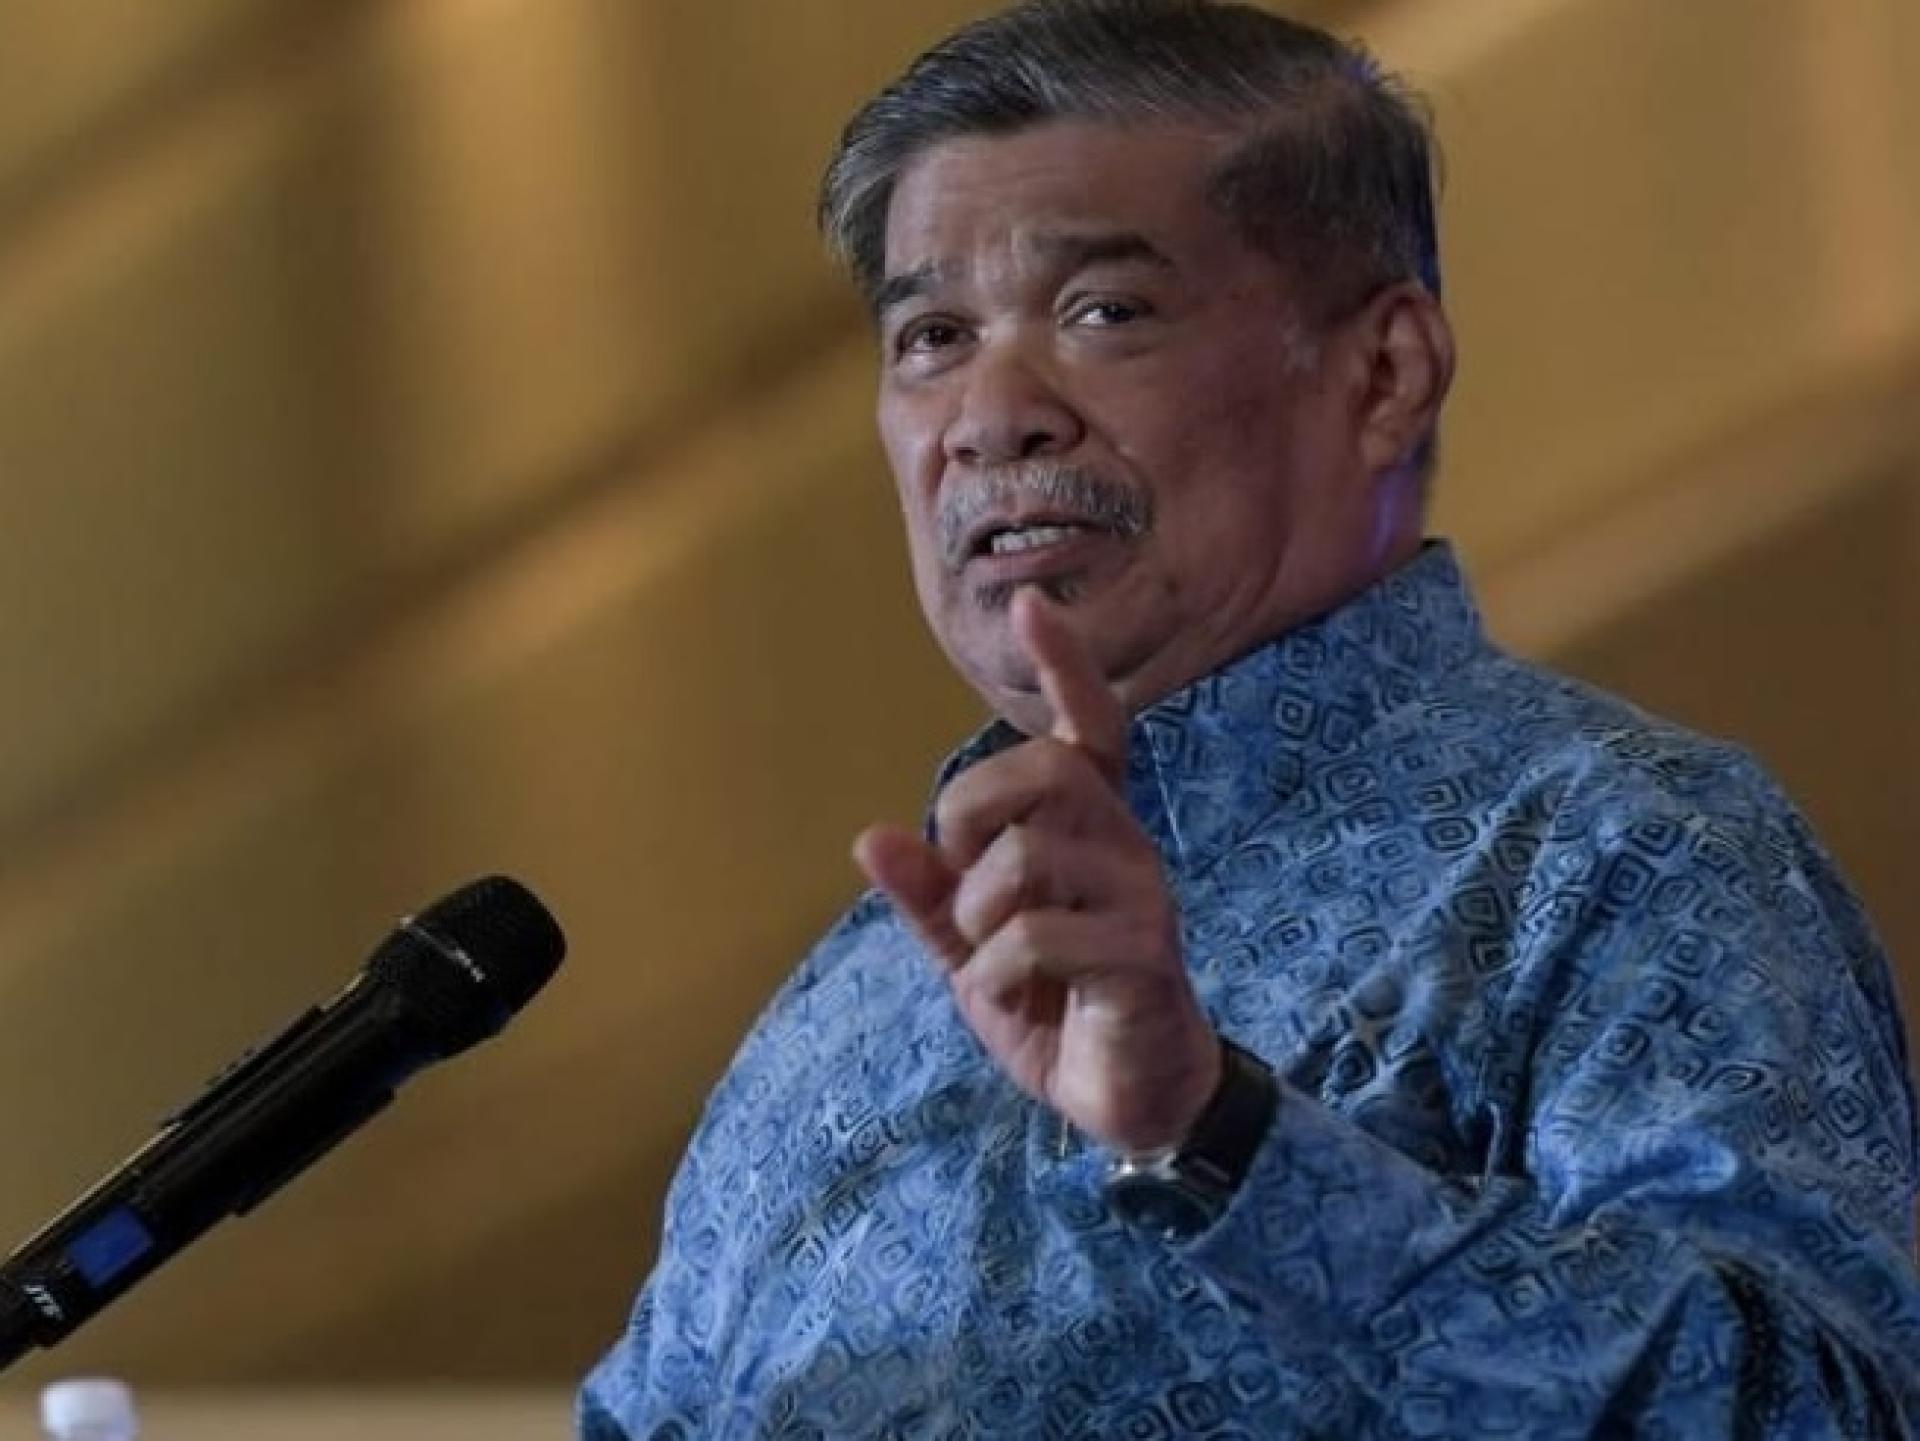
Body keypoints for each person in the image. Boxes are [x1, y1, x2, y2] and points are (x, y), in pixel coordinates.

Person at [580, 1, 1920, 1434]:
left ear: (1384, 373)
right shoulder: (844, 1007)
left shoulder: (1620, 854)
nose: (989, 414)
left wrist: (1220, 1138)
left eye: (1105, 312)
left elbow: (1819, 1414)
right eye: (932, 335)